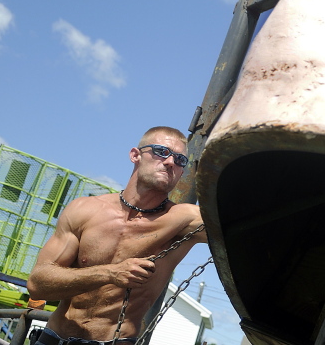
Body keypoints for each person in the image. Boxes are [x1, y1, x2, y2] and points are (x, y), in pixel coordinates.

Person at [27, 126, 208, 344]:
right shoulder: (85, 210)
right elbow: (37, 284)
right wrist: (111, 274)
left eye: (180, 160)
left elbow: (243, 228)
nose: (170, 162)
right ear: (135, 155)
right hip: (54, 339)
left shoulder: (186, 220)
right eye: (161, 151)